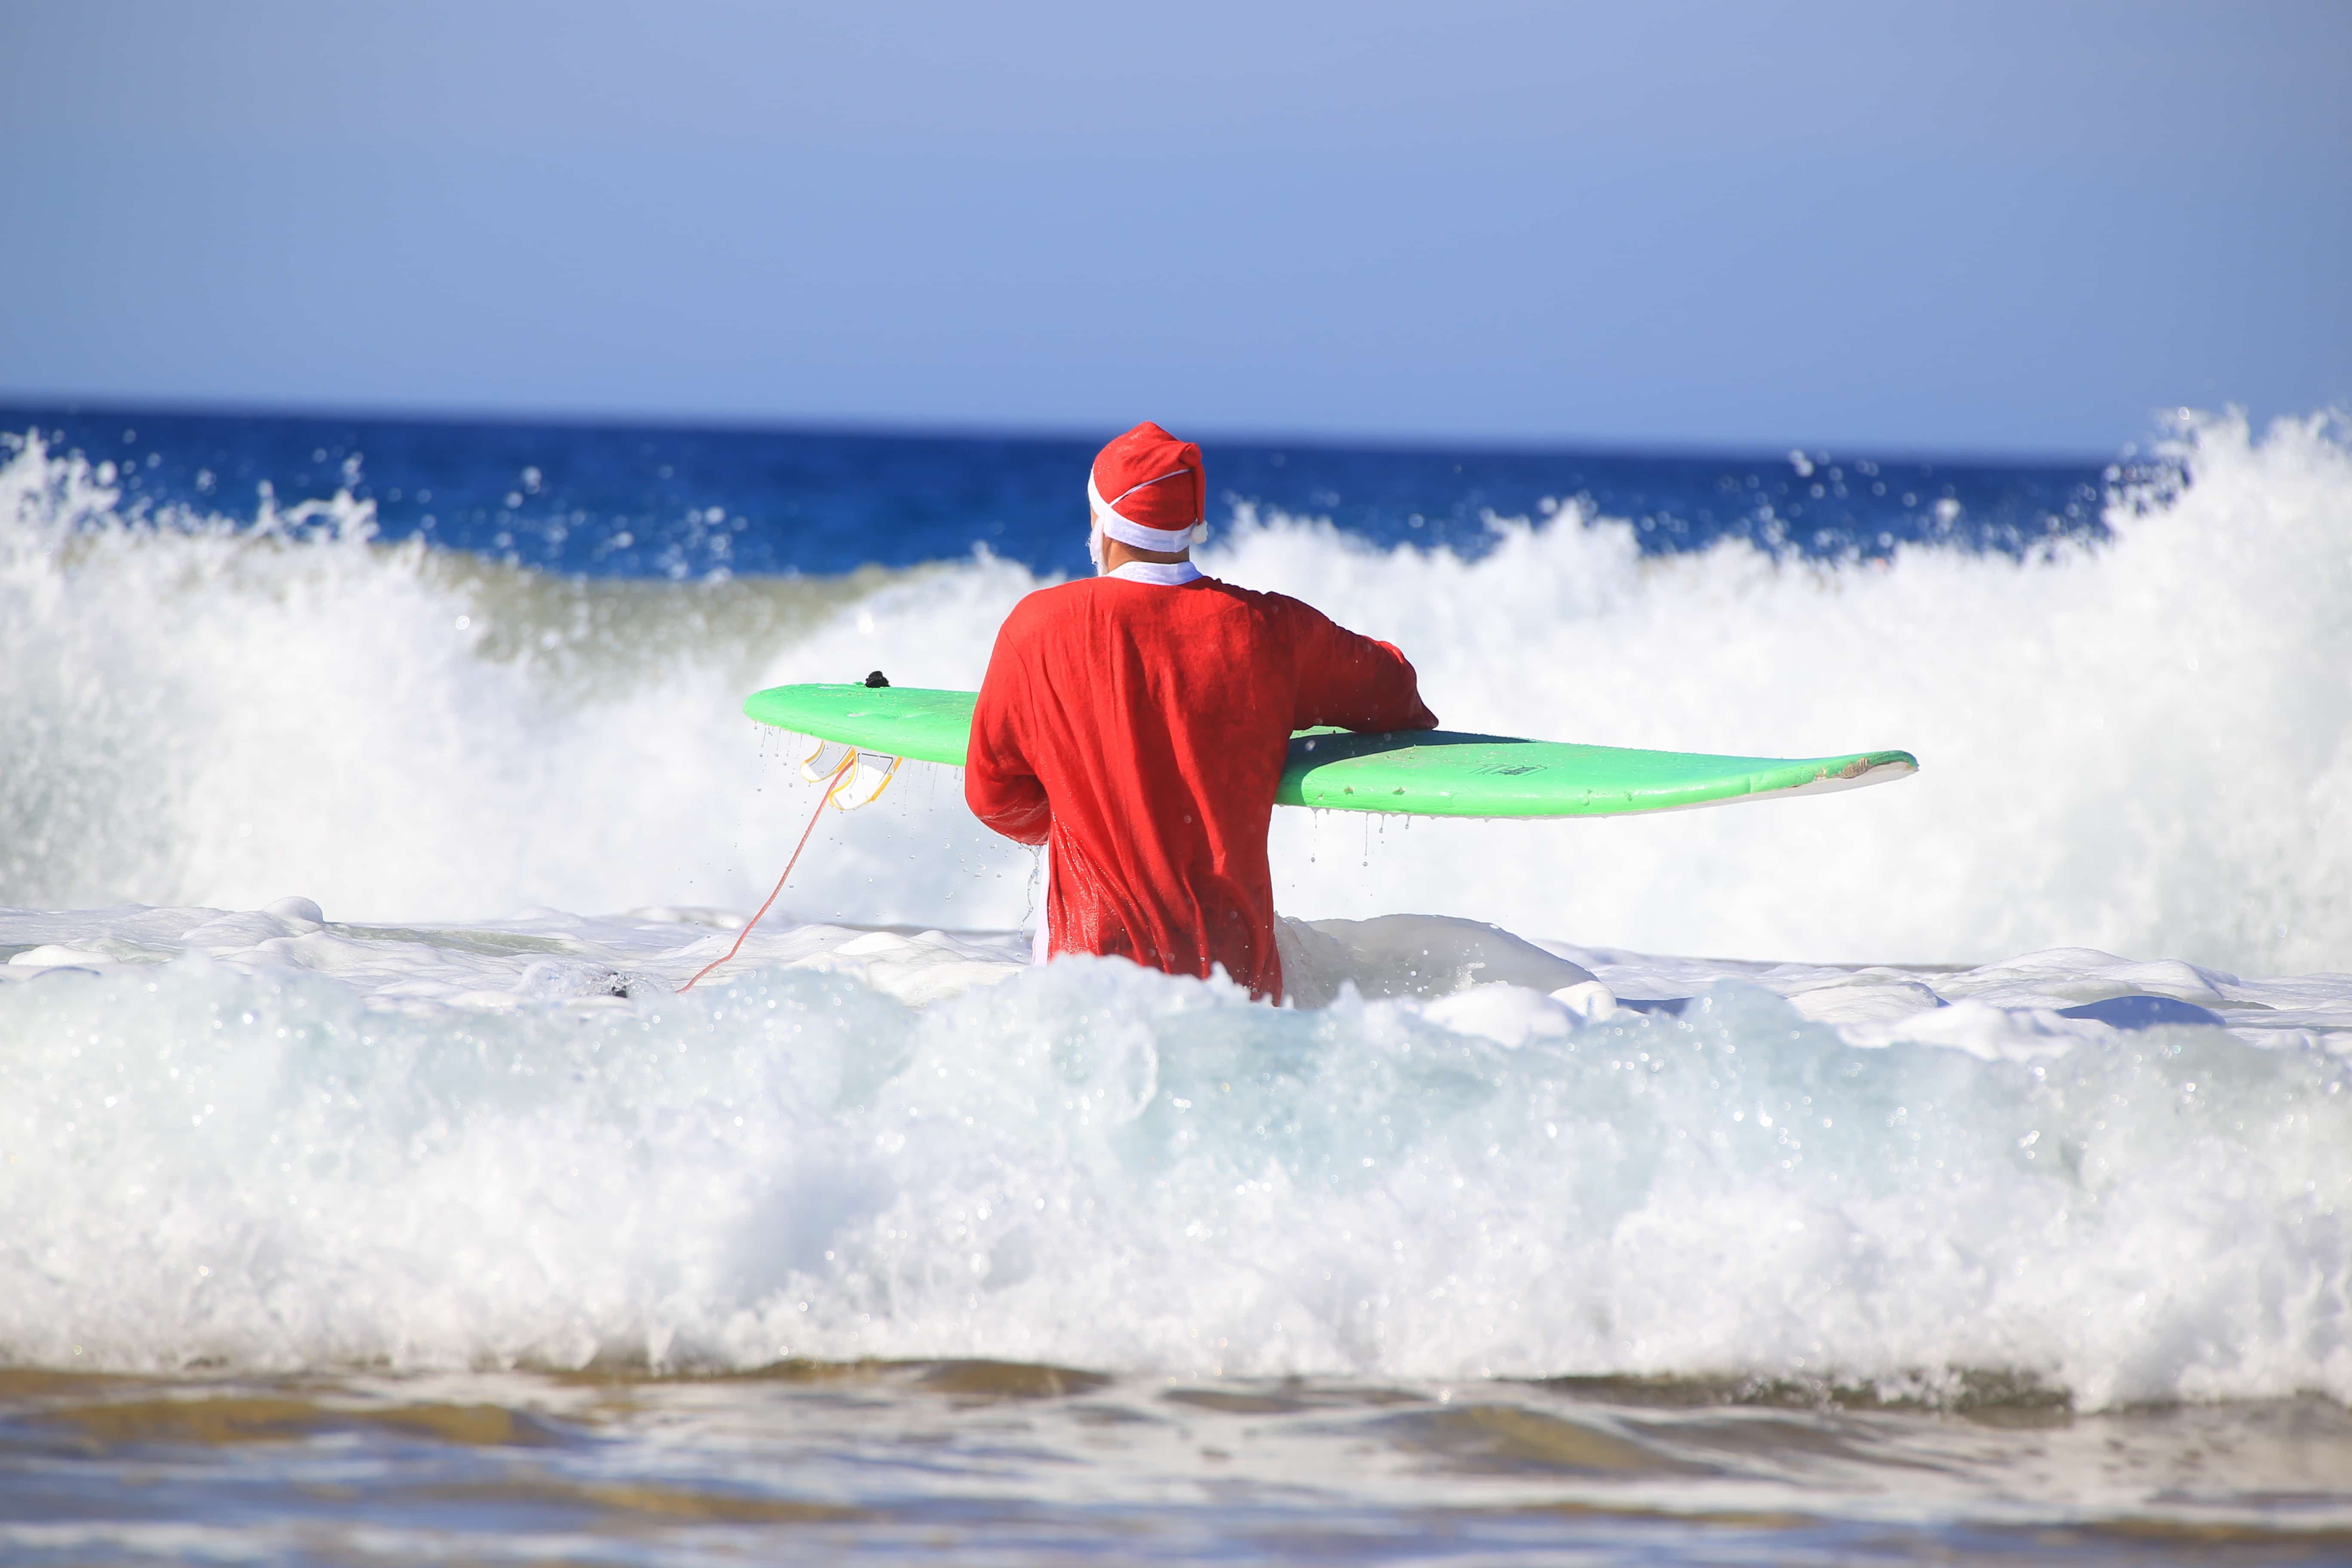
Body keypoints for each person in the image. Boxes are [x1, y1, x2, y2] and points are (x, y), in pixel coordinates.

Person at [964, 421, 1440, 1001]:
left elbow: (993, 796)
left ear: (1100, 522)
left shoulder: (1037, 628)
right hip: (1237, 981)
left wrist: (1081, 814)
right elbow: (1394, 693)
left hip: (1086, 977)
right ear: (1193, 525)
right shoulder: (1273, 630)